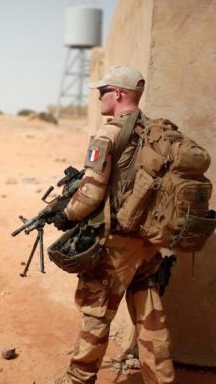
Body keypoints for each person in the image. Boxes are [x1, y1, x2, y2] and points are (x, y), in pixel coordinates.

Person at [50, 65, 176, 384]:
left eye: (102, 91)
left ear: (118, 94)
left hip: (117, 243)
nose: (99, 97)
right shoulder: (155, 132)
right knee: (150, 317)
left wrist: (66, 214)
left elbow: (91, 193)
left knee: (97, 312)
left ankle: (78, 378)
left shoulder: (109, 132)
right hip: (148, 239)